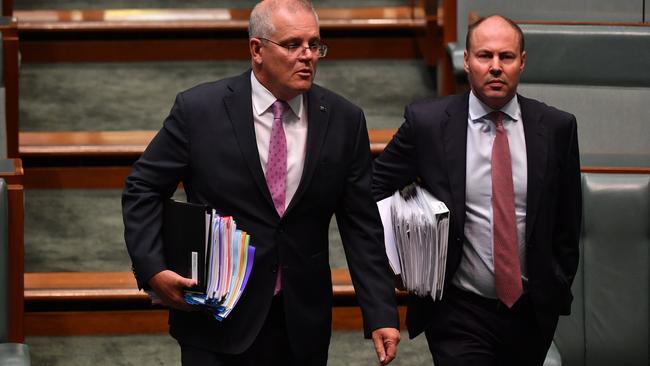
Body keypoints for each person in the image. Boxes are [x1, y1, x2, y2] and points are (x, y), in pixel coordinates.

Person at [122, 1, 400, 365]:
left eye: (314, 45)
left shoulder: (344, 120)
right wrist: (153, 268)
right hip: (217, 316)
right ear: (257, 50)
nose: (308, 56)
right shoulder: (199, 110)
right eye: (293, 45)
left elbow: (361, 224)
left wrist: (380, 311)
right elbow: (142, 188)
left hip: (300, 321)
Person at [372, 14, 581, 365]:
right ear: (466, 61)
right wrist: (402, 259)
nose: (496, 67)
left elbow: (568, 221)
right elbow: (374, 187)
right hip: (458, 310)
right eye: (485, 56)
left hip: (530, 313)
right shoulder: (428, 124)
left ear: (522, 63)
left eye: (507, 57)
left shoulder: (557, 128)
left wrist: (557, 285)